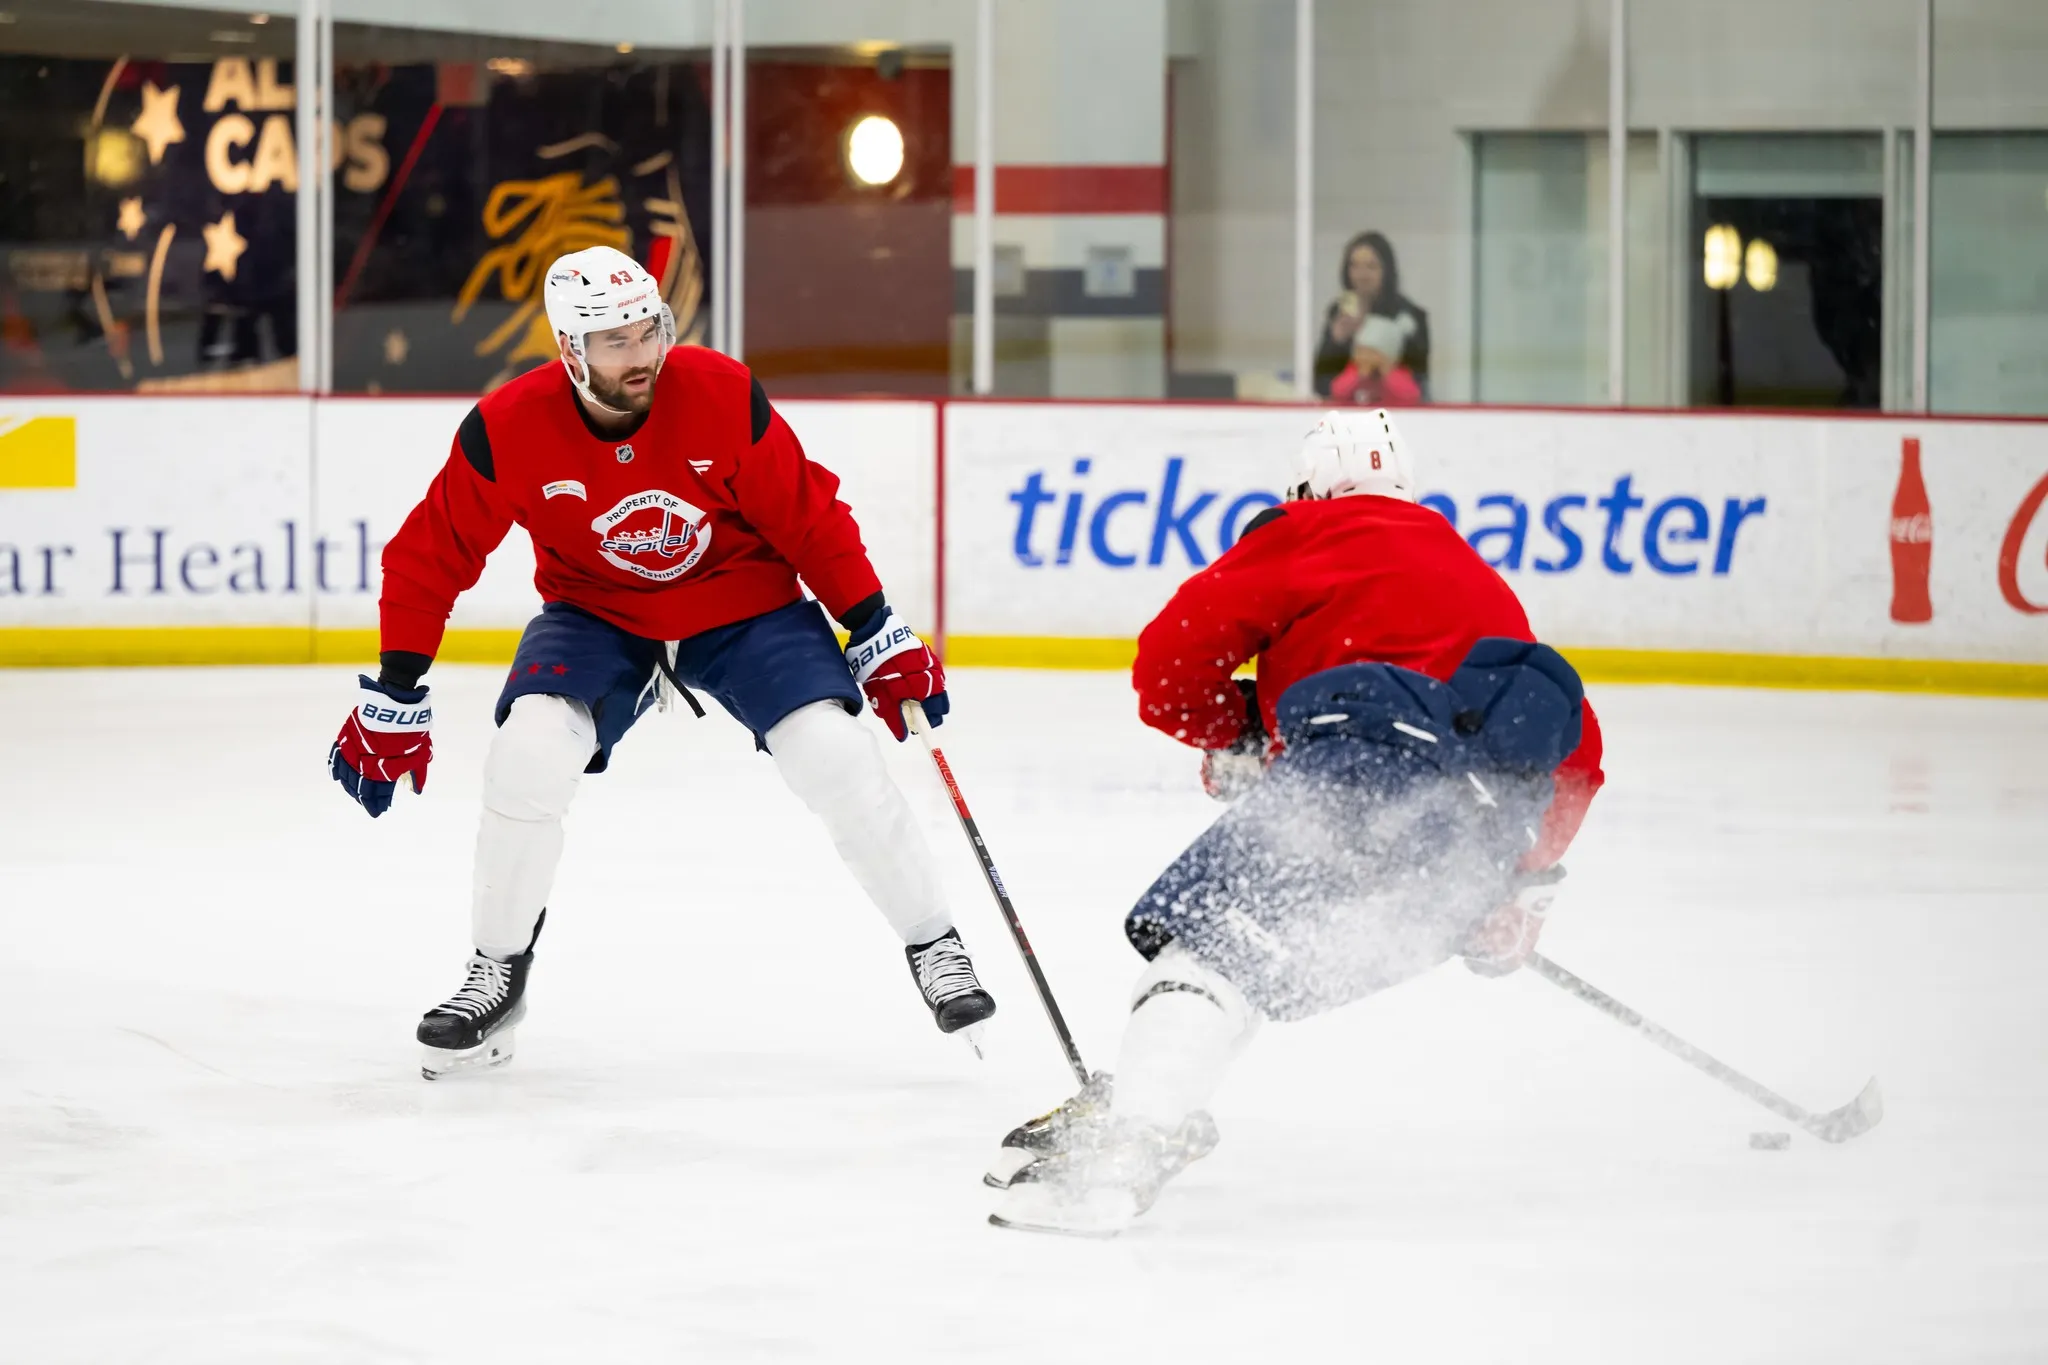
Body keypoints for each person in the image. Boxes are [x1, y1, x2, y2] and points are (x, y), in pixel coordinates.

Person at [327, 244, 996, 1079]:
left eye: (647, 329)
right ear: (571, 350)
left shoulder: (717, 392)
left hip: (743, 604)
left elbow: (808, 515)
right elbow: (430, 555)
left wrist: (874, 626)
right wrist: (396, 688)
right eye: (614, 340)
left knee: (834, 752)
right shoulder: (508, 428)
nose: (641, 353)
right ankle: (499, 969)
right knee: (527, 752)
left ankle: (935, 943)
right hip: (597, 613)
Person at [986, 409, 1605, 1235]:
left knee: (1207, 953)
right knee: (1251, 963)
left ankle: (1132, 1139)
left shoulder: (1307, 531)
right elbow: (1575, 750)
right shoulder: (1472, 570)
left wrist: (1237, 732)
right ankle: (1147, 1105)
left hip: (1363, 777)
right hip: (1475, 842)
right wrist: (1518, 886)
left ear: (1307, 488)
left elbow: (1168, 669)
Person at [1312, 232, 1430, 400]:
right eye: (1355, 266)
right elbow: (1321, 385)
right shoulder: (1338, 312)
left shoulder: (1409, 316)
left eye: (1371, 266)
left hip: (1396, 413)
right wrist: (1336, 341)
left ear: (1387, 271)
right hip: (1348, 414)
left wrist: (1381, 363)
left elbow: (1420, 385)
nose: (1362, 275)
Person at [1328, 313, 1423, 408]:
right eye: (1360, 352)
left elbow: (1412, 396)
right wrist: (1358, 376)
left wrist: (1386, 372)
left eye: (1371, 353)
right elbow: (1337, 392)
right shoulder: (1354, 370)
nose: (1364, 357)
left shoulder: (1397, 372)